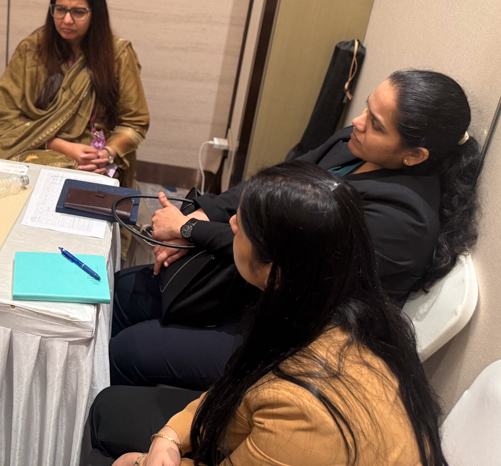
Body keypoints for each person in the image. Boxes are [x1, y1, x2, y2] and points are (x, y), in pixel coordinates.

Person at [110, 69, 480, 389]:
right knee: (123, 292)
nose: (359, 121)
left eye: (377, 124)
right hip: (251, 283)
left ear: (414, 155)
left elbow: (286, 259)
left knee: (130, 350)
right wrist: (204, 215)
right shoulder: (354, 144)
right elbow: (270, 184)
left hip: (292, 335)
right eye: (368, 107)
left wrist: (190, 230)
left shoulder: (402, 220)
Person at [88, 161, 447, 466]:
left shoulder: (306, 408)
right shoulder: (338, 309)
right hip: (257, 423)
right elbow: (238, 384)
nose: (231, 224)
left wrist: (138, 461)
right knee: (111, 406)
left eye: (242, 226)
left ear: (276, 271)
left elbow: (266, 402)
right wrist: (170, 435)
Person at [0, 0, 149, 187]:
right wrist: (60, 146)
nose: (67, 20)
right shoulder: (31, 50)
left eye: (78, 12)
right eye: (60, 9)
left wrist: (106, 153)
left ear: (95, 13)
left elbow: (134, 123)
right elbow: (2, 119)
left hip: (90, 158)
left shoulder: (117, 56)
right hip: (34, 148)